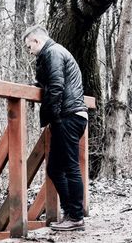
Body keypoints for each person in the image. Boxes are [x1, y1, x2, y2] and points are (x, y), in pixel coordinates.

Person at [22, 25, 89, 231]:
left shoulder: (52, 53)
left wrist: (54, 118)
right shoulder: (53, 53)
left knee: (69, 167)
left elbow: (57, 86)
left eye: (29, 46)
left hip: (68, 116)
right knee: (55, 168)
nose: (29, 51)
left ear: (36, 41)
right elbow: (51, 82)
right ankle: (71, 213)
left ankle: (76, 217)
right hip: (71, 115)